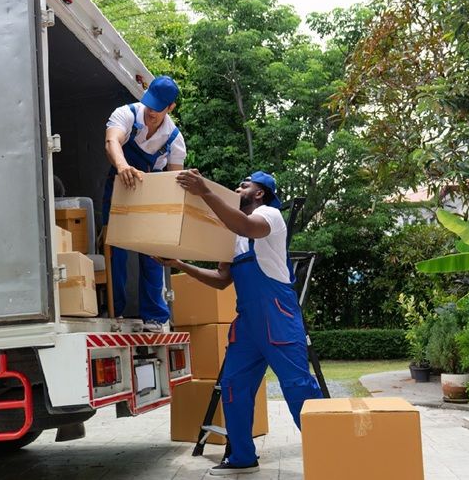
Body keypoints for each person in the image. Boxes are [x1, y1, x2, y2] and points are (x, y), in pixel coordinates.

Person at [156, 170, 322, 476]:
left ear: (259, 193)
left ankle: (331, 453)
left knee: (297, 386)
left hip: (277, 315)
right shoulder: (231, 235)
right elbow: (222, 279)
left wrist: (206, 191)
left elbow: (246, 225)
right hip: (247, 323)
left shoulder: (270, 215)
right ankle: (242, 457)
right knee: (234, 387)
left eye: (244, 185)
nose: (237, 188)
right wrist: (180, 265)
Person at [103, 76, 186, 333]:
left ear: (170, 107)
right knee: (116, 249)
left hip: (151, 193)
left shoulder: (174, 139)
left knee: (152, 252)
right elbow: (112, 141)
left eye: (158, 108)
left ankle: (155, 316)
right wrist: (122, 166)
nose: (151, 111)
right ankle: (114, 310)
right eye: (150, 104)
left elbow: (174, 181)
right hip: (120, 186)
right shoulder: (126, 114)